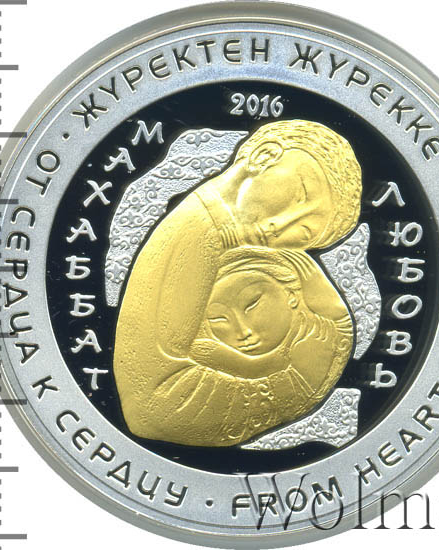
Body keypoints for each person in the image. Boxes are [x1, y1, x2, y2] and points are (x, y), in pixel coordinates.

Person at [113, 119, 362, 446]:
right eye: (299, 196)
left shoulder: (220, 235)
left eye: (303, 233)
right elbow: (153, 402)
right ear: (263, 156)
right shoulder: (199, 229)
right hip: (173, 403)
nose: (279, 226)